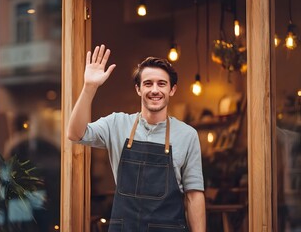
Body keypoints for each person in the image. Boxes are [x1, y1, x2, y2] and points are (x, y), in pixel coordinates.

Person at [67, 44, 206, 231]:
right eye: (148, 83)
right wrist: (89, 87)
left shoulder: (187, 135)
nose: (154, 90)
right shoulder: (116, 123)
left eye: (161, 83)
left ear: (172, 90)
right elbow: (75, 134)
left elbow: (194, 195)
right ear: (138, 89)